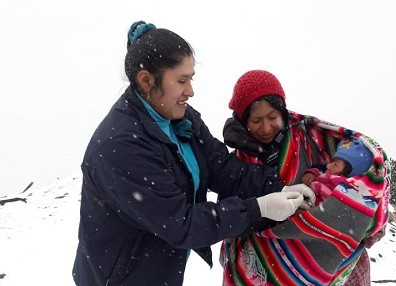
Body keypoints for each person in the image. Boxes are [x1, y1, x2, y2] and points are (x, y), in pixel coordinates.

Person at [72, 22, 316, 286]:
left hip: (159, 268)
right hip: (124, 277)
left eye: (191, 78)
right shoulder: (121, 146)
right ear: (146, 80)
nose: (190, 91)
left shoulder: (178, 117)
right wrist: (258, 208)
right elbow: (180, 223)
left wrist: (280, 186)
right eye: (181, 80)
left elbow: (222, 168)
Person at [219, 70, 391, 285]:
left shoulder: (311, 137)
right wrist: (273, 213)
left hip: (331, 251)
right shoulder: (236, 163)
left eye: (272, 117)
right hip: (266, 257)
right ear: (243, 119)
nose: (265, 127)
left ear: (283, 111)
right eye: (255, 120)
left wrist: (369, 215)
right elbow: (232, 217)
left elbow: (366, 166)